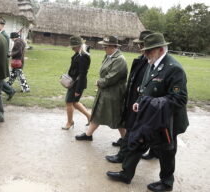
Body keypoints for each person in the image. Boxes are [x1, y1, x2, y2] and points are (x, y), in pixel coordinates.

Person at [106, 33, 189, 192]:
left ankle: (166, 183)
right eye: (145, 50)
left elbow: (179, 99)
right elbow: (145, 90)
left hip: (167, 121)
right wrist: (139, 102)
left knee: (166, 151)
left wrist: (148, 104)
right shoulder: (151, 63)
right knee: (136, 143)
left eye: (149, 50)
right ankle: (126, 174)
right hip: (149, 117)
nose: (145, 53)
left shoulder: (174, 69)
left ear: (160, 49)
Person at [105, 30, 154, 163]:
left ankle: (123, 156)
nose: (139, 48)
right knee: (131, 127)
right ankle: (152, 151)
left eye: (141, 45)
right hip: (133, 99)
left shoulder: (152, 63)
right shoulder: (140, 60)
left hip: (142, 102)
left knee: (135, 130)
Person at [75, 36, 127, 141]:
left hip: (114, 94)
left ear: (113, 46)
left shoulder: (119, 60)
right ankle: (88, 135)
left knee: (117, 118)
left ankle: (125, 140)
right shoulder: (109, 56)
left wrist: (99, 82)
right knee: (97, 113)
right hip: (105, 92)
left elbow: (111, 77)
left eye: (106, 46)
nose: (104, 48)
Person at [61, 36, 91, 130]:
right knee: (74, 102)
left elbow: (82, 74)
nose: (72, 48)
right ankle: (89, 116)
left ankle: (70, 122)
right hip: (74, 82)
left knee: (69, 102)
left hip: (77, 84)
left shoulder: (84, 56)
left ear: (78, 46)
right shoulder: (78, 54)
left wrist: (78, 89)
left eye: (73, 46)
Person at [0, 16, 16, 100]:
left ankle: (10, 90)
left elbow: (4, 50)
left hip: (1, 61)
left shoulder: (5, 36)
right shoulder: (0, 34)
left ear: (2, 25)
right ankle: (10, 91)